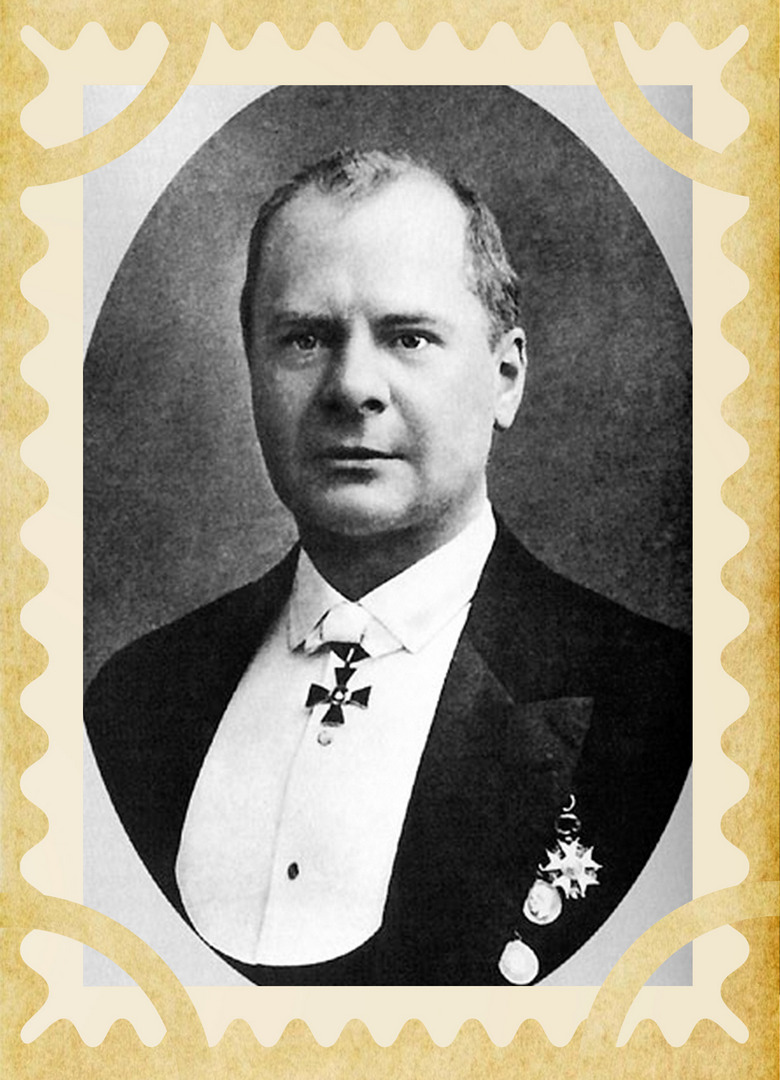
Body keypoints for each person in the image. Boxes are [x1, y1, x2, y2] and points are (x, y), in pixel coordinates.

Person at [84, 149, 691, 986]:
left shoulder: (668, 713)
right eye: (305, 338)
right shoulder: (137, 699)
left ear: (505, 378)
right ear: (253, 369)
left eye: (408, 337)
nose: (352, 387)